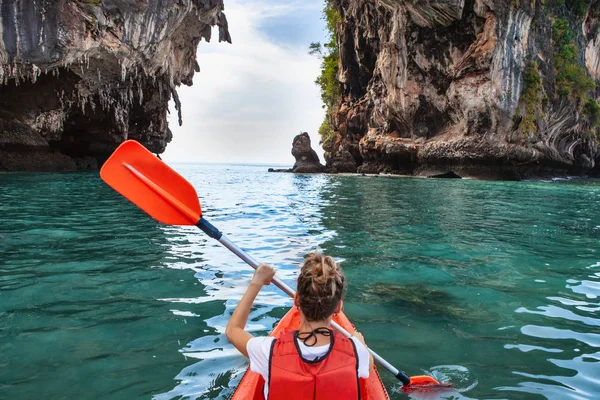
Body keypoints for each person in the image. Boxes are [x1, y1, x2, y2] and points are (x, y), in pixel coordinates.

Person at [225, 252, 374, 399]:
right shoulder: (356, 351)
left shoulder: (268, 352)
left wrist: (256, 282)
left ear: (296, 300)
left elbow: (233, 330)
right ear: (338, 308)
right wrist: (359, 341)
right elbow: (369, 364)